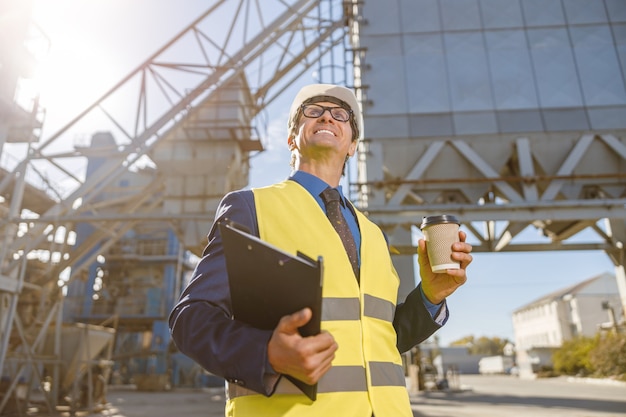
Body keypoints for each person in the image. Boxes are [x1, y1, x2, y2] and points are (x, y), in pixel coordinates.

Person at [168, 83, 473, 417]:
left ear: (353, 145)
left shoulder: (372, 234)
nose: (328, 115)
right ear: (291, 138)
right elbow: (191, 319)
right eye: (312, 110)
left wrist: (430, 296)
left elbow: (378, 341)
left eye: (341, 114)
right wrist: (265, 353)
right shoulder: (251, 207)